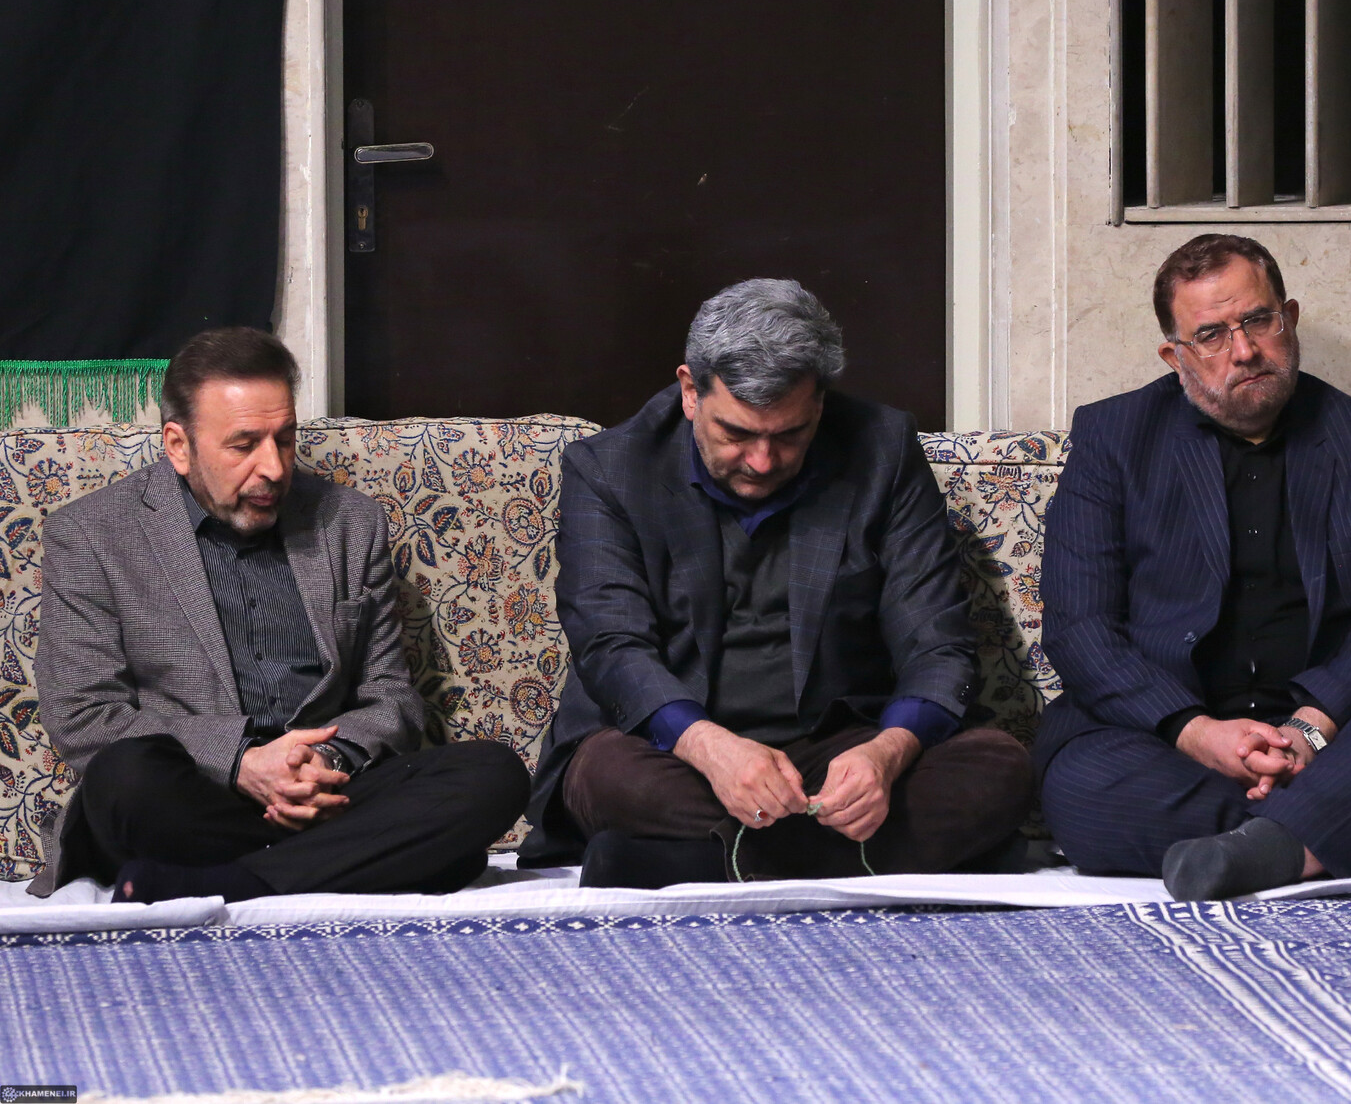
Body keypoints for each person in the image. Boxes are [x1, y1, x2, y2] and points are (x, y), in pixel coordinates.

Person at [522, 279, 1032, 885]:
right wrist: (711, 749)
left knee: (999, 766)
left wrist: (886, 753)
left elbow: (938, 641)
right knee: (607, 775)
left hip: (836, 747)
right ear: (690, 392)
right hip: (677, 750)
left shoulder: (883, 450)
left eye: (789, 434)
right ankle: (893, 857)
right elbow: (612, 646)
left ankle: (695, 864)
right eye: (736, 434)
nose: (762, 462)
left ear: (819, 403)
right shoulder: (608, 469)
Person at [1036, 234, 1351, 902]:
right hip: (1169, 740)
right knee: (1080, 785)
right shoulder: (1113, 437)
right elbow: (1080, 628)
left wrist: (1307, 730)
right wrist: (1197, 733)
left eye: (1258, 320)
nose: (1245, 350)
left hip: (1329, 737)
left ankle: (1266, 847)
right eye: (1211, 335)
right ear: (1175, 355)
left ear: (1290, 318)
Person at [31, 328, 530, 902]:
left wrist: (320, 759)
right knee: (125, 778)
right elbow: (84, 717)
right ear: (178, 445)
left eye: (285, 439)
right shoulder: (91, 534)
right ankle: (369, 863)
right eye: (244, 445)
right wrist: (242, 762)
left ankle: (239, 882)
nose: (272, 467)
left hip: (326, 795)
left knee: (493, 774)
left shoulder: (351, 523)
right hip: (191, 798)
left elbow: (390, 696)